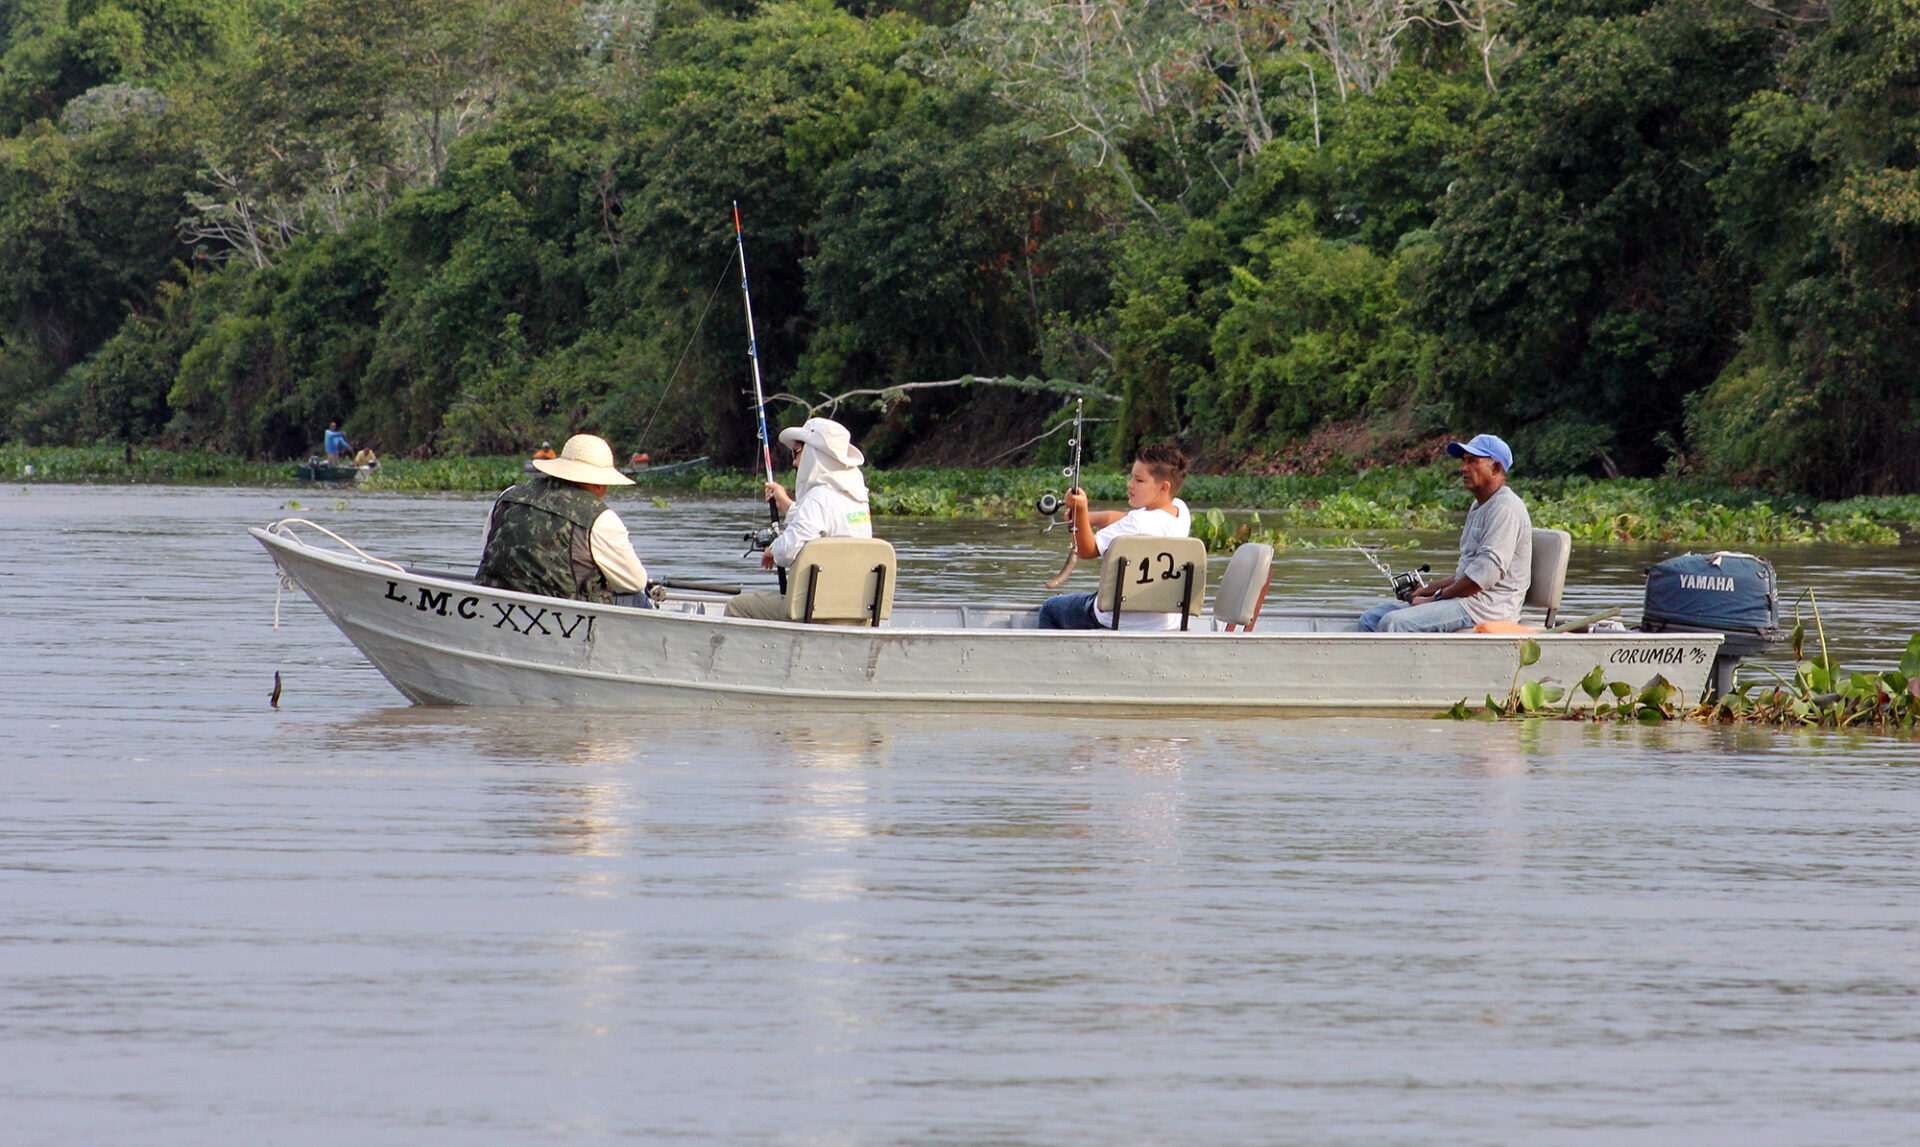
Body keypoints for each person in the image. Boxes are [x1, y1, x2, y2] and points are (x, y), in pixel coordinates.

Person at [1358, 433, 1531, 633]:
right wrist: (1426, 589)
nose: (1463, 468)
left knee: (1395, 624)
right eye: (1464, 461)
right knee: (1370, 619)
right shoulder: (1479, 505)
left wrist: (1434, 598)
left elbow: (1483, 576)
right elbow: (1466, 573)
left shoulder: (1505, 507)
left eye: (1473, 461)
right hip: (1465, 600)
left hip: (1486, 608)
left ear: (1497, 468)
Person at [726, 417, 873, 620]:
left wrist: (772, 549)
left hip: (816, 610)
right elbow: (820, 520)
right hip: (856, 611)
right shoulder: (858, 500)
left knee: (737, 606)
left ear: (814, 453)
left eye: (796, 452)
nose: (794, 462)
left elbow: (787, 551)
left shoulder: (818, 497)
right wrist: (785, 503)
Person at [475, 433, 647, 604]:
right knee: (637, 598)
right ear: (599, 483)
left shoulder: (508, 495)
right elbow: (635, 582)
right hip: (564, 610)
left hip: (495, 599)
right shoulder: (602, 518)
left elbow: (488, 548)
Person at [1037, 444, 1192, 630]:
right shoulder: (1180, 510)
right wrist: (1086, 519)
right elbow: (1126, 518)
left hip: (1116, 619)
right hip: (1163, 623)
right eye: (1132, 477)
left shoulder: (1136, 523)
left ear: (1163, 487)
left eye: (1139, 480)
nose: (1130, 484)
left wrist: (1082, 510)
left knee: (1049, 608)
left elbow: (1087, 550)